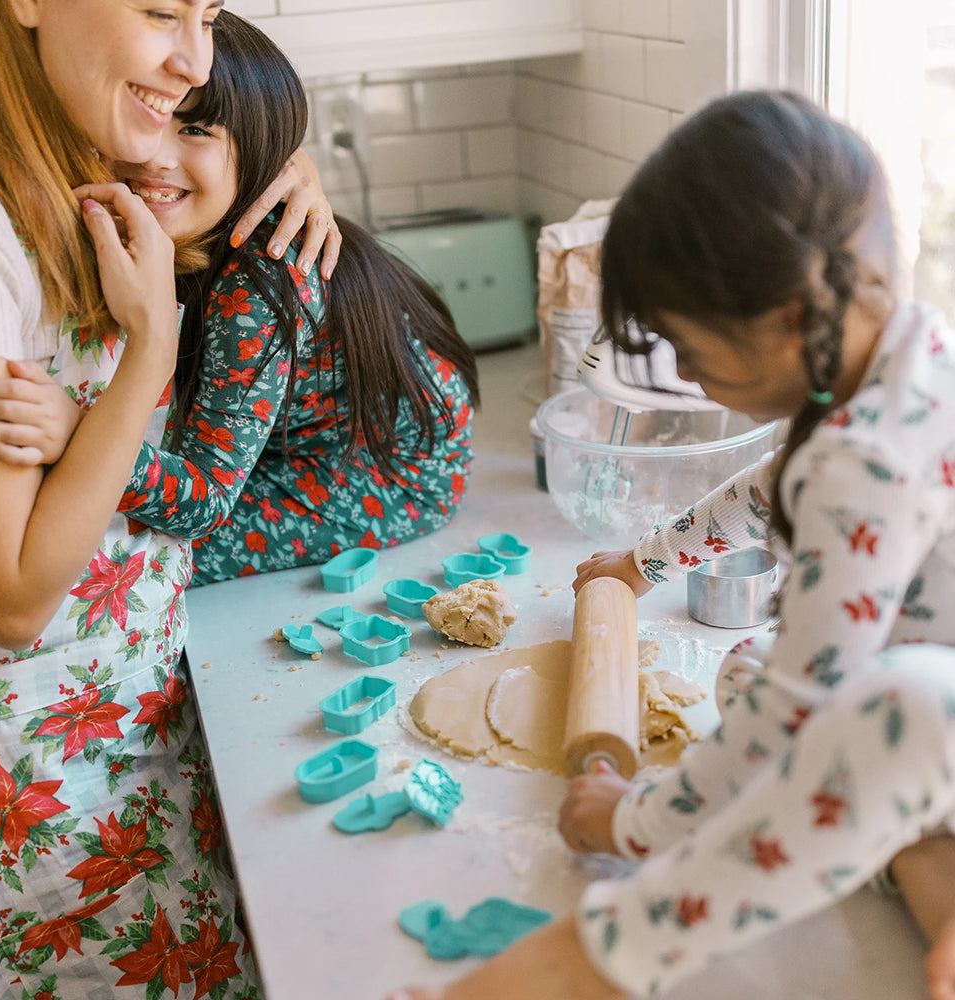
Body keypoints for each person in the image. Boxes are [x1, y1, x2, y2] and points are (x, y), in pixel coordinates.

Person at [387, 90, 955, 1000]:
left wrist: (638, 822)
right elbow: (767, 493)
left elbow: (803, 716)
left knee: (886, 702)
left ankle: (602, 960)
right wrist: (639, 566)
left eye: (686, 349)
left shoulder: (866, 462)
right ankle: (937, 889)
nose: (686, 376)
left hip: (932, 713)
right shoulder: (911, 356)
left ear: (784, 319)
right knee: (746, 670)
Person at [0, 0, 334, 995]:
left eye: (208, 12)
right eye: (163, 8)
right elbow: (10, 600)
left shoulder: (77, 145)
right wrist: (148, 355)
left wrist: (270, 159)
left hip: (140, 728)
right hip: (26, 788)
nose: (192, 55)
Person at [0, 10, 479, 585]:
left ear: (259, 162)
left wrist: (76, 434)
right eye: (155, 118)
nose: (156, 154)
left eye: (197, 130)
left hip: (380, 469)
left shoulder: (257, 282)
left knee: (133, 564)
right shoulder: (159, 225)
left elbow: (204, 502)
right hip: (259, 448)